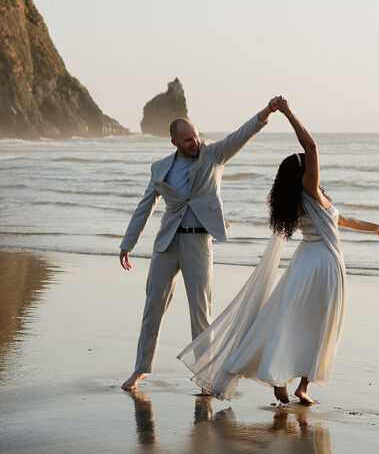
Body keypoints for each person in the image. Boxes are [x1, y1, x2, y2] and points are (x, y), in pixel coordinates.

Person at [179, 97, 379, 404]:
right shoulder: (309, 188)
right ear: (304, 172)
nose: (315, 168)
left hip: (307, 261)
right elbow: (312, 147)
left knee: (291, 319)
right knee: (318, 323)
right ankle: (292, 383)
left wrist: (374, 226)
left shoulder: (307, 197)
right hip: (324, 263)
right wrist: (290, 114)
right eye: (309, 167)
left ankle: (291, 383)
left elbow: (341, 219)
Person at [120, 97, 282, 392]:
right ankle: (140, 370)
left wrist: (266, 112)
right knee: (152, 307)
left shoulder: (213, 155)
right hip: (166, 244)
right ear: (174, 142)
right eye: (187, 140)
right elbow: (145, 206)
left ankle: (206, 376)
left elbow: (241, 134)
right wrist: (127, 243)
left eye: (195, 137)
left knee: (201, 312)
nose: (194, 143)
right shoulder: (159, 169)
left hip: (198, 241)